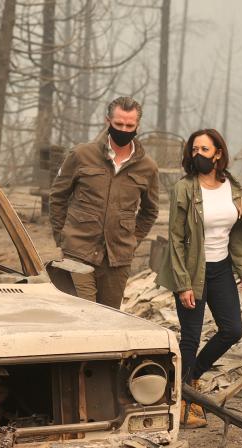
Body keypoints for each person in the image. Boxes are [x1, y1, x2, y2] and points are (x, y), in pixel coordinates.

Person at [156, 128, 242, 428]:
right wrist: (183, 284)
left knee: (232, 330)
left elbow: (237, 232)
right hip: (193, 271)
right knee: (191, 337)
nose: (198, 155)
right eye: (194, 150)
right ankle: (184, 402)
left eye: (204, 150)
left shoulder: (232, 188)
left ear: (218, 154)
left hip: (220, 269)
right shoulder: (184, 188)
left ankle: (190, 377)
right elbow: (176, 238)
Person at [49, 96, 160, 308]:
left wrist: (132, 239)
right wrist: (62, 237)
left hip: (118, 260)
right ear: (107, 121)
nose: (124, 130)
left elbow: (150, 211)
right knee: (82, 315)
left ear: (138, 125)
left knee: (109, 319)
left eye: (130, 125)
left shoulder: (148, 167)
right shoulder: (81, 155)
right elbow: (58, 197)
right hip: (78, 253)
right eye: (119, 124)